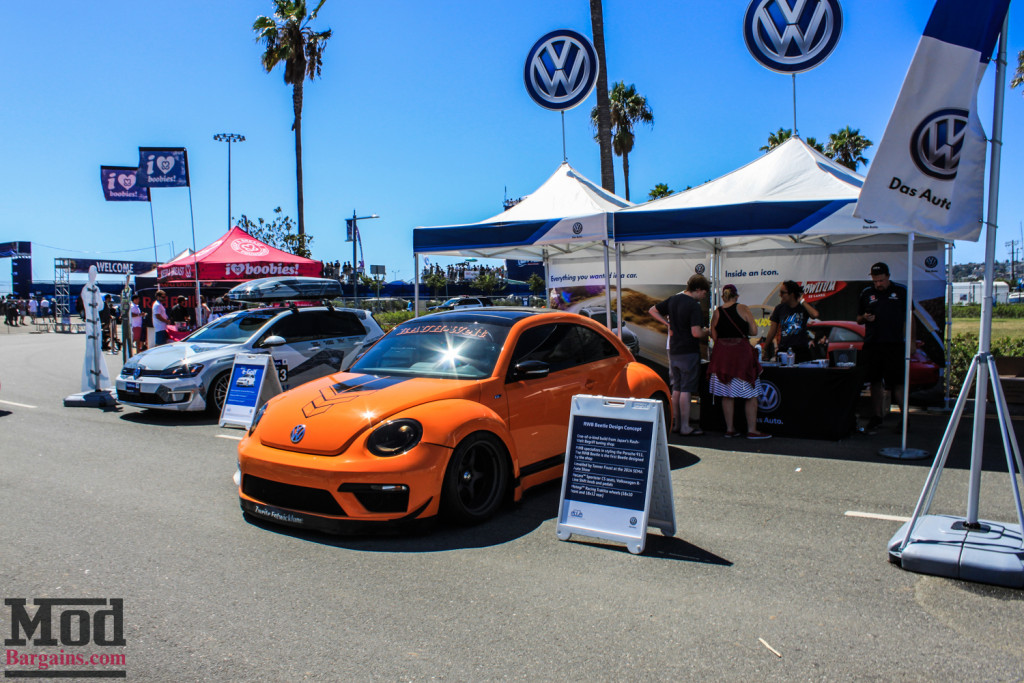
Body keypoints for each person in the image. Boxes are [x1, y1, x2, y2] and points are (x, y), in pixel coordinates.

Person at [648, 274, 711, 436]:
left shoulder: (674, 299)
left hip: (674, 349)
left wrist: (667, 323)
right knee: (686, 389)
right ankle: (685, 426)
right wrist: (708, 331)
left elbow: (652, 310)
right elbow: (696, 332)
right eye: (705, 292)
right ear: (698, 289)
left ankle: (675, 424)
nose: (705, 296)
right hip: (688, 350)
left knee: (676, 388)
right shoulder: (694, 306)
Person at [708, 284, 771, 439]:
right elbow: (754, 331)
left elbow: (713, 335)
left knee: (726, 394)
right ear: (736, 296)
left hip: (722, 357)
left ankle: (730, 429)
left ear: (723, 296)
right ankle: (752, 430)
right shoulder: (743, 308)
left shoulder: (717, 312)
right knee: (751, 394)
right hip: (741, 356)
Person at [857, 262, 910, 432]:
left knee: (898, 383)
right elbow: (858, 319)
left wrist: (912, 341)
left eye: (881, 280)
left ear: (888, 276)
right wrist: (865, 317)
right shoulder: (866, 293)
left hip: (894, 344)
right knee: (875, 381)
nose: (878, 284)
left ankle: (905, 418)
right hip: (873, 343)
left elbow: (910, 318)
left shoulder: (901, 291)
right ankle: (877, 416)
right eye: (875, 281)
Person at [762, 280, 819, 363]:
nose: (780, 295)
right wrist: (765, 349)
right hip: (784, 350)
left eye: (783, 292)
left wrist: (802, 300)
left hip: (801, 350)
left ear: (792, 294)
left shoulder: (803, 306)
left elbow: (815, 315)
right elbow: (772, 331)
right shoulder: (779, 308)